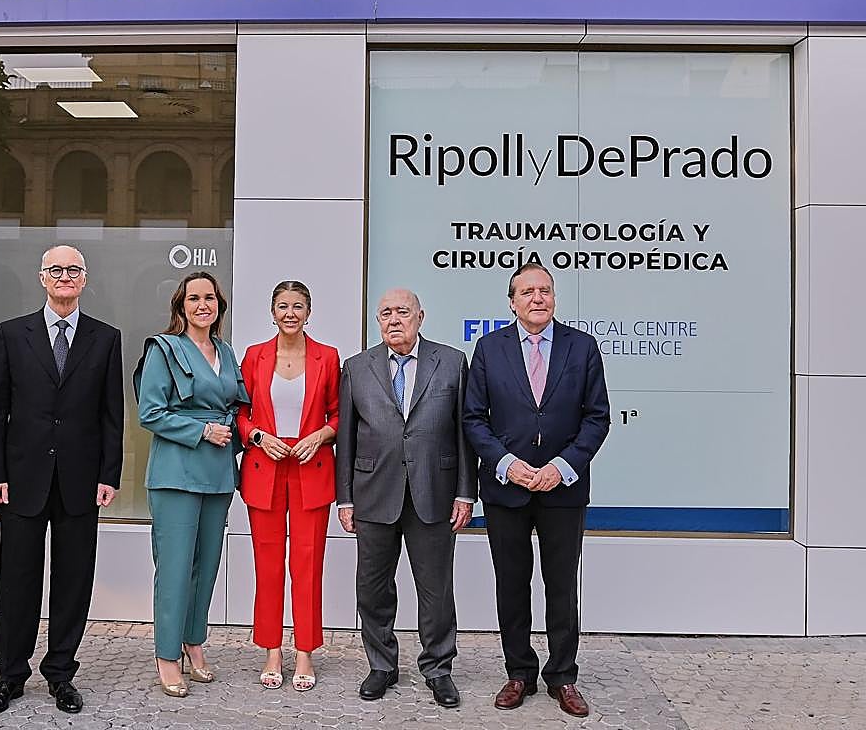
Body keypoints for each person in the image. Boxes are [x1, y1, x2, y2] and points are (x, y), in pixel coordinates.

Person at [0, 245, 123, 716]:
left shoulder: (105, 338)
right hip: (21, 478)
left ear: (84, 279)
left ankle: (61, 673)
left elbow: (111, 416)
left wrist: (109, 474)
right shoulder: (10, 334)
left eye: (73, 270)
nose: (65, 277)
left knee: (73, 579)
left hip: (81, 480)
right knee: (17, 578)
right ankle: (9, 676)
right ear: (42, 277)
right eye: (56, 270)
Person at [463, 263, 610, 718]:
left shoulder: (582, 347)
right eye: (527, 291)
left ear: (555, 298)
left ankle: (563, 676)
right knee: (511, 583)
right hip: (507, 488)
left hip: (562, 489)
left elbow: (596, 417)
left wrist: (561, 467)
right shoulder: (489, 349)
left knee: (562, 586)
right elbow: (473, 418)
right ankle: (519, 672)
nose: (537, 298)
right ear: (512, 302)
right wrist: (508, 465)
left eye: (545, 290)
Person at [335, 288, 475, 708]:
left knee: (436, 589)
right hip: (373, 494)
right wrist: (344, 498)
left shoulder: (451, 362)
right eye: (386, 313)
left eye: (403, 312)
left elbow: (464, 432)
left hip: (434, 492)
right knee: (373, 587)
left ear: (420, 316)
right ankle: (382, 665)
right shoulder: (356, 367)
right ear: (378, 321)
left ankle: (438, 668)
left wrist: (466, 492)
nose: (394, 319)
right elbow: (345, 437)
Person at [134, 271, 248, 698]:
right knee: (176, 567)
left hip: (218, 474)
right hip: (176, 473)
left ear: (219, 304)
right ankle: (167, 654)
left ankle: (193, 641)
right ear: (180, 306)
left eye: (211, 298)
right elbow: (151, 412)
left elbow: (236, 407)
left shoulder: (226, 351)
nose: (204, 305)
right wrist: (200, 431)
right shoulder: (163, 349)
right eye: (194, 298)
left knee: (207, 566)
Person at [236, 281, 339, 691]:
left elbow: (339, 413)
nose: (290, 313)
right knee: (268, 563)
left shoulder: (327, 357)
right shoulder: (254, 356)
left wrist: (323, 435)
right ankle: (272, 650)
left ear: (309, 312)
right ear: (272, 311)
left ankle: (306, 653)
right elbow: (240, 414)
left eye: (298, 306)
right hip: (266, 467)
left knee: (308, 564)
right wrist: (259, 436)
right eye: (283, 306)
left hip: (311, 466)